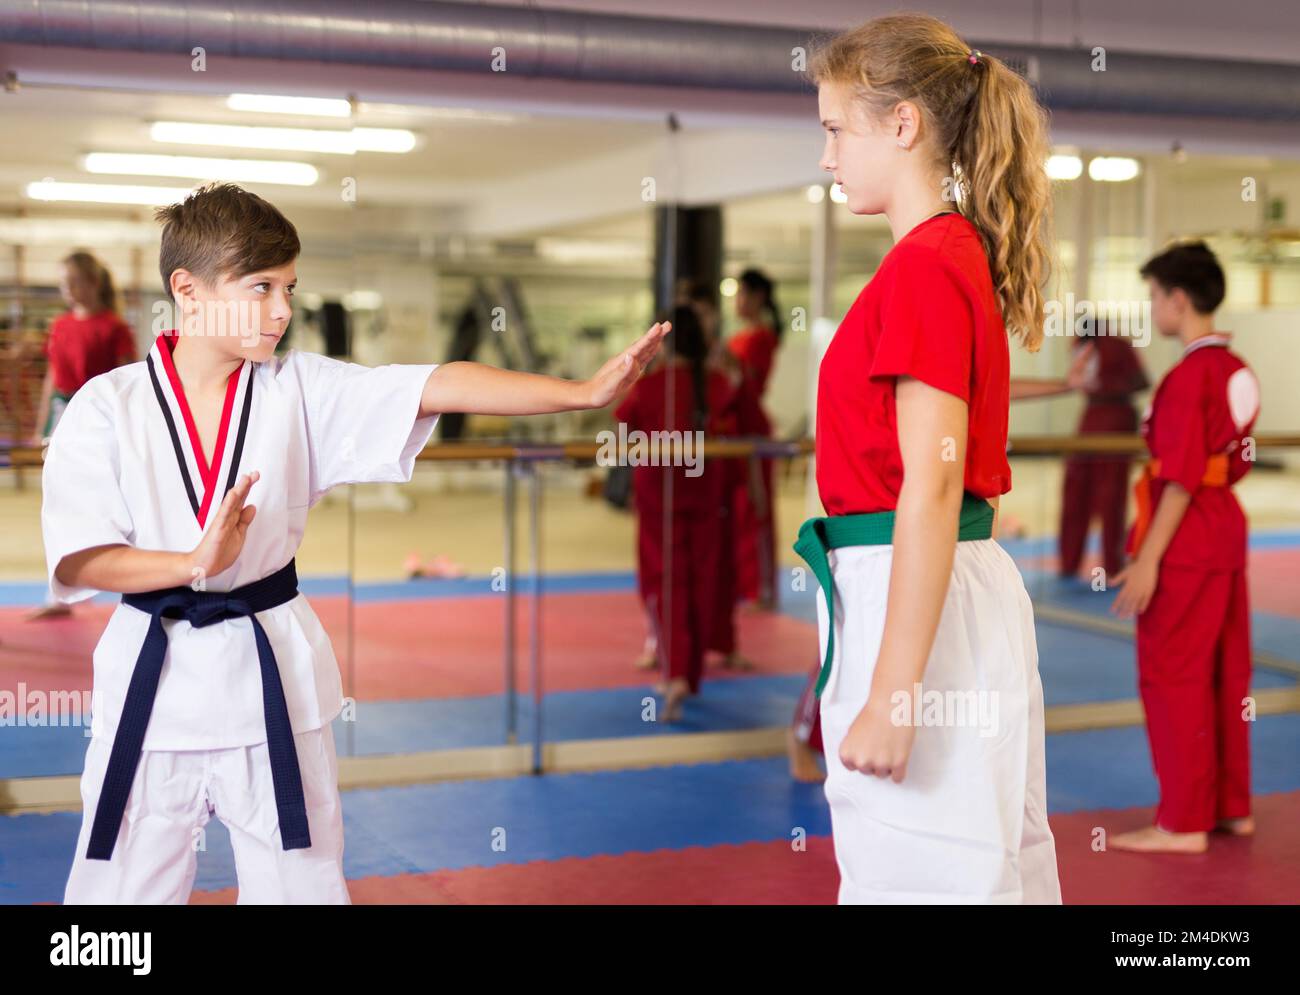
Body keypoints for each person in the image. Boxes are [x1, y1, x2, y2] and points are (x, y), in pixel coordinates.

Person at [42, 182, 667, 903]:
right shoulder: (107, 408)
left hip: (268, 684)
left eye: (289, 288)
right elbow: (82, 555)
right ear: (188, 289)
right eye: (262, 287)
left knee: (303, 888)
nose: (283, 309)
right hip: (150, 698)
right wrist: (191, 563)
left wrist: (578, 393)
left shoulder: (297, 389)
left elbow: (432, 384)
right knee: (115, 903)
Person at [795, 14, 1061, 903]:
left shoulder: (925, 266)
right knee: (976, 863)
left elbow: (934, 480)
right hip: (936, 585)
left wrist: (896, 691)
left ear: (902, 123)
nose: (827, 155)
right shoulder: (947, 257)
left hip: (918, 589)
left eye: (836, 128)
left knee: (923, 872)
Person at [1109, 241, 1259, 854]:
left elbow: (1180, 474)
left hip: (1188, 534)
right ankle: (1230, 808)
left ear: (1177, 299)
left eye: (1153, 297)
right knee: (1226, 671)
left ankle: (1183, 821)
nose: (1152, 309)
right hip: (1224, 527)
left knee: (1174, 674)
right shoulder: (1235, 369)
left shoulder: (1186, 377)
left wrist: (1148, 559)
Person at [616, 304, 740, 721]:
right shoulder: (718, 384)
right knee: (700, 582)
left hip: (660, 499)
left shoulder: (652, 387)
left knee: (664, 585)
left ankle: (674, 675)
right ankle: (689, 673)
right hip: (704, 496)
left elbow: (623, 427)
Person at [1058, 324, 1149, 579]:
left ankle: (1073, 563)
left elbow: (1139, 381)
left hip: (1106, 417)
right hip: (1107, 417)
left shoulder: (1106, 345)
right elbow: (1141, 381)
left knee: (1088, 493)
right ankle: (1109, 564)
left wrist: (1103, 385)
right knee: (1107, 496)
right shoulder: (1117, 345)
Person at [728, 268, 782, 610]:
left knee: (756, 509)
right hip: (732, 429)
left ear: (758, 297)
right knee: (738, 510)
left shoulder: (760, 338)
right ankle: (742, 583)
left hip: (751, 430)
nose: (738, 302)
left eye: (744, 294)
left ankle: (760, 589)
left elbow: (749, 384)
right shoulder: (739, 338)